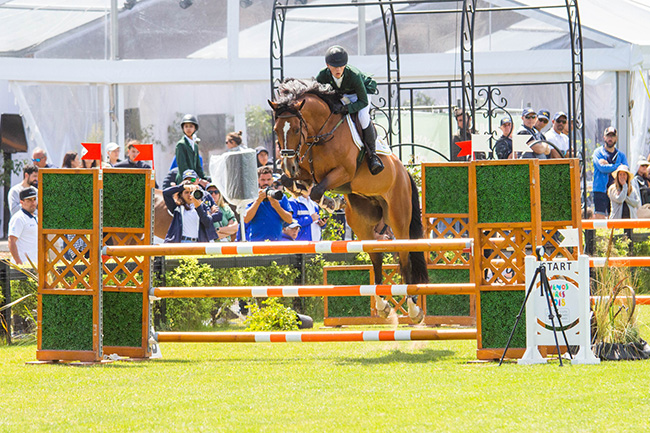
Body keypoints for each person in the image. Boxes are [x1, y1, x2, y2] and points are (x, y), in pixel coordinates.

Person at [315, 45, 384, 175]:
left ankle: (373, 155)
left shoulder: (354, 75)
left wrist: (347, 109)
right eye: (335, 67)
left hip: (361, 93)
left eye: (341, 66)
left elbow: (363, 101)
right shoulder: (322, 76)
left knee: (363, 117)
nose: (338, 70)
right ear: (327, 65)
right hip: (343, 94)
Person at [244, 166, 293, 241]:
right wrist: (258, 201)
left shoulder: (281, 197)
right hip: (257, 245)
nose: (266, 182)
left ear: (272, 180)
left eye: (268, 179)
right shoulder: (252, 197)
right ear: (258, 180)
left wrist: (277, 206)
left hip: (276, 244)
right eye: (263, 180)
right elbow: (246, 219)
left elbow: (289, 220)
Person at [593, 126, 628, 218]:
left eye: (613, 136)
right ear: (604, 137)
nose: (610, 138)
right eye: (608, 136)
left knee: (615, 217)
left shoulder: (621, 155)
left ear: (616, 138)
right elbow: (602, 168)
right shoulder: (598, 153)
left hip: (616, 190)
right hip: (600, 190)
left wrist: (608, 165)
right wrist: (617, 166)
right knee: (599, 217)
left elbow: (625, 170)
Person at [8, 187, 38, 265]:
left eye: (34, 199)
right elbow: (11, 240)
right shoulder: (19, 218)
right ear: (21, 202)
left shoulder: (36, 218)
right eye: (29, 200)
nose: (33, 202)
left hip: (35, 265)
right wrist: (18, 262)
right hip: (23, 265)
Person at [174, 114, 207, 185]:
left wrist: (204, 179)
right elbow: (183, 168)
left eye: (191, 126)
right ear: (183, 128)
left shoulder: (195, 145)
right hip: (184, 181)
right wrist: (198, 180)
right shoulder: (181, 144)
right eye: (186, 126)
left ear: (195, 128)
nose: (188, 129)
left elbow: (198, 167)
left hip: (194, 180)